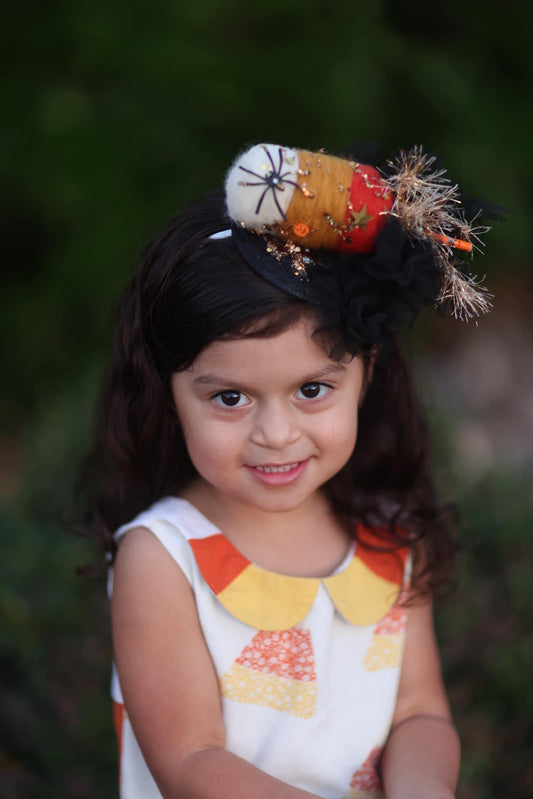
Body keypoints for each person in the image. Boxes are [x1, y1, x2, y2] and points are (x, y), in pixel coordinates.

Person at [81, 142, 495, 798]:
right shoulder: (164, 559)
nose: (275, 435)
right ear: (169, 393)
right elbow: (190, 760)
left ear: (366, 376)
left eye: (311, 390)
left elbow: (418, 710)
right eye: (229, 397)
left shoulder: (388, 537)